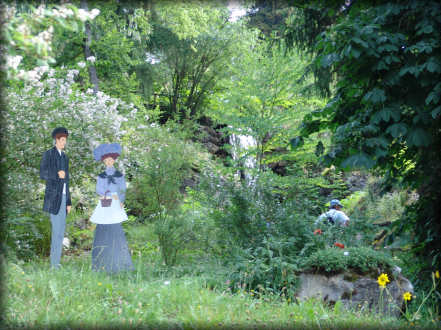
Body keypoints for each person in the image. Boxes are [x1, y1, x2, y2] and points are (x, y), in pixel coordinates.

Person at [90, 143, 133, 273]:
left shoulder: (119, 175)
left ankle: (119, 262)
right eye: (106, 160)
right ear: (104, 161)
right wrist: (106, 194)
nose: (109, 162)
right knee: (103, 227)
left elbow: (122, 189)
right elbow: (99, 188)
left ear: (114, 160)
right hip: (105, 203)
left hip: (115, 203)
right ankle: (101, 262)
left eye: (111, 159)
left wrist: (120, 200)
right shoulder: (101, 176)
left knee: (115, 228)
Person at [40, 127, 72, 268]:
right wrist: (56, 174)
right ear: (56, 140)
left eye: (65, 140)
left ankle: (56, 263)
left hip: (64, 198)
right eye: (62, 140)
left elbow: (67, 180)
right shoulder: (48, 154)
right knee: (56, 231)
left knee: (61, 232)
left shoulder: (65, 157)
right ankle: (54, 264)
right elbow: (43, 173)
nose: (64, 142)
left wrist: (69, 201)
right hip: (53, 198)